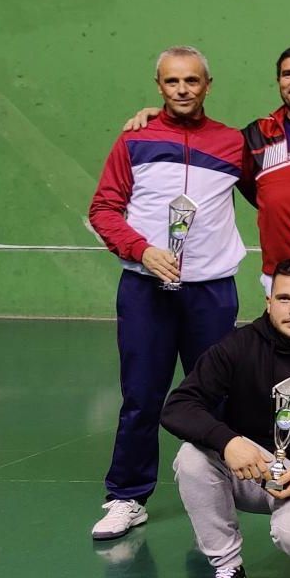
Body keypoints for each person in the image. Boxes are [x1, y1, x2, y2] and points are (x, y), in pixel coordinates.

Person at [88, 46, 246, 540]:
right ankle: (127, 497)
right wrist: (142, 251)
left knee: (216, 397)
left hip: (212, 292)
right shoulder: (134, 138)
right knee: (141, 397)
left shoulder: (233, 144)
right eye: (173, 82)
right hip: (144, 289)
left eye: (192, 81)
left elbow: (280, 195)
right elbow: (103, 209)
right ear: (159, 86)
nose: (183, 90)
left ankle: (221, 488)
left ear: (208, 84)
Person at [123, 44, 290, 336]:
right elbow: (260, 193)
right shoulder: (255, 136)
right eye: (288, 74)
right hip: (281, 277)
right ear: (279, 81)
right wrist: (161, 117)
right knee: (288, 372)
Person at [160, 258, 290, 578]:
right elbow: (178, 406)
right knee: (191, 457)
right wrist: (228, 441)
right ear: (268, 302)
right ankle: (227, 567)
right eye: (284, 298)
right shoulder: (240, 345)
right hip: (253, 467)